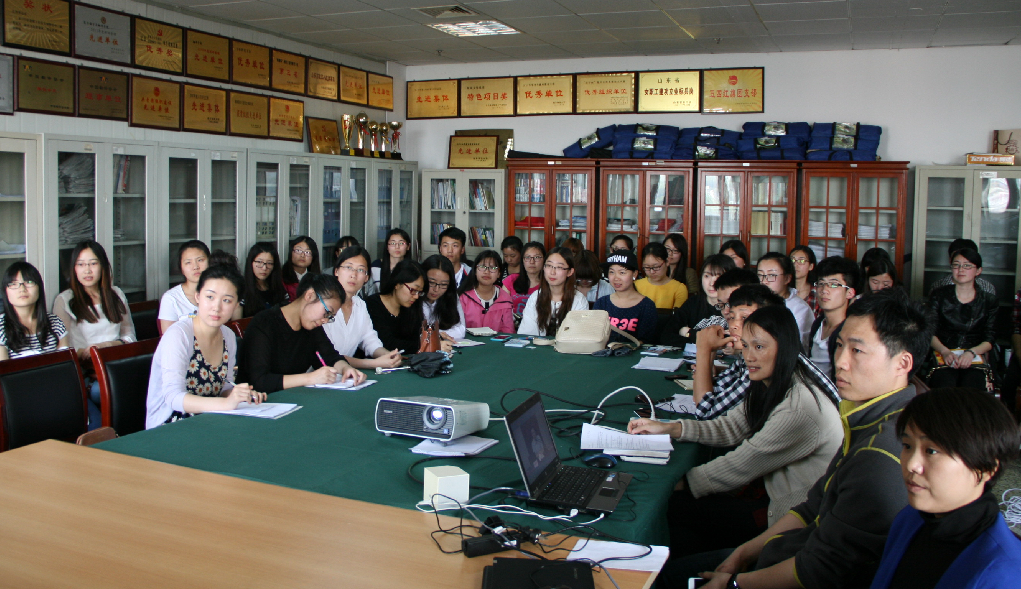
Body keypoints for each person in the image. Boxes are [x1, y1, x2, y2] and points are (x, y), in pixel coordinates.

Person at [666, 290, 931, 589]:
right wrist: (743, 554)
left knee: (670, 573)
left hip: (794, 561)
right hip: (789, 545)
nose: (841, 362)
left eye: (857, 350)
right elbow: (812, 507)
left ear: (902, 363)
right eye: (839, 346)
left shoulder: (882, 451)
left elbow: (823, 568)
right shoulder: (865, 419)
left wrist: (735, 583)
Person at [630, 305, 842, 558]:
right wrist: (670, 428)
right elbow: (730, 427)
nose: (749, 356)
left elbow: (741, 465)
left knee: (673, 512)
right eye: (747, 346)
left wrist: (666, 484)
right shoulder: (774, 380)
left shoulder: (800, 407)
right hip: (767, 496)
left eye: (759, 347)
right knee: (679, 519)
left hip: (789, 520)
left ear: (785, 347)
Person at [870, 388, 1021, 589]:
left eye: (931, 451)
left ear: (986, 468)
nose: (911, 464)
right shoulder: (909, 518)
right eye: (907, 446)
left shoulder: (1005, 573)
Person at [691, 284, 839, 422]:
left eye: (745, 318)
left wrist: (704, 349)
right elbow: (717, 389)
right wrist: (710, 352)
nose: (734, 325)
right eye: (732, 317)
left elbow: (706, 411)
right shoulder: (752, 353)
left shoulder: (766, 360)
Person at [145, 265, 264, 429]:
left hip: (210, 418)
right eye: (210, 297)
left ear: (236, 305)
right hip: (170, 424)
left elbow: (224, 387)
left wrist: (240, 395)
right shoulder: (178, 335)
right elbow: (173, 398)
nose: (217, 307)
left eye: (227, 300)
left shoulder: (228, 336)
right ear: (197, 297)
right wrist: (226, 404)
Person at [52, 241, 136, 429]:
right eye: (81, 264)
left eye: (93, 263)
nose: (87, 270)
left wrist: (109, 346)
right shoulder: (65, 300)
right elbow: (63, 350)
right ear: (74, 268)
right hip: (87, 374)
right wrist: (89, 353)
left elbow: (130, 335)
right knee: (105, 391)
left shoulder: (116, 294)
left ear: (103, 266)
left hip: (116, 367)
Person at [239, 273, 365, 393]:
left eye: (330, 317)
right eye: (327, 312)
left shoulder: (312, 327)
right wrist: (310, 378)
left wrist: (345, 368)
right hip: (257, 402)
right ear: (310, 295)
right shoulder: (264, 323)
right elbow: (260, 381)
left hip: (291, 398)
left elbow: (330, 356)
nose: (325, 320)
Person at [926, 248, 998, 391]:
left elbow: (990, 338)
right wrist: (945, 351)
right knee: (944, 386)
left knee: (972, 387)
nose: (961, 269)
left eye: (967, 265)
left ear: (978, 271)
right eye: (956, 265)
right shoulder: (938, 295)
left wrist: (971, 353)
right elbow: (929, 331)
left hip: (974, 355)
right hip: (943, 352)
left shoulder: (989, 300)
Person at [323, 246, 402, 370]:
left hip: (345, 376)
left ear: (366, 278)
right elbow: (328, 354)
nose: (353, 275)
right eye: (348, 267)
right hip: (319, 374)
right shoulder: (323, 305)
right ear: (336, 271)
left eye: (360, 270)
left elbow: (369, 339)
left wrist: (388, 355)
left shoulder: (360, 305)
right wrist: (374, 363)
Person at [660, 254, 736, 348]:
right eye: (707, 276)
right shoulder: (693, 303)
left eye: (718, 277)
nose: (712, 283)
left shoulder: (737, 305)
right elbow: (667, 336)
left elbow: (735, 341)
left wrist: (689, 333)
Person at [0, 262, 69, 360]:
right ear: (5, 291)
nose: (22, 289)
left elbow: (66, 364)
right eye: (13, 284)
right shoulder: (1, 326)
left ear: (39, 287)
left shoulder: (55, 323)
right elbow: (4, 369)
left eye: (28, 282)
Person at [807, 257, 860, 378]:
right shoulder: (817, 324)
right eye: (821, 284)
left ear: (850, 293)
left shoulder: (850, 331)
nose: (824, 290)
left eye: (834, 284)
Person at [518, 247, 588, 337]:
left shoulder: (579, 301)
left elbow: (579, 337)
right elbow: (526, 334)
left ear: (570, 272)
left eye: (559, 267)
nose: (552, 272)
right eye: (549, 266)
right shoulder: (535, 297)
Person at [594, 251, 659, 343]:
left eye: (622, 272)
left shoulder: (647, 306)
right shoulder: (602, 303)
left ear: (634, 274)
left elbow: (647, 341)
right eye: (612, 272)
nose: (616, 278)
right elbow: (594, 335)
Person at [365, 259, 427, 353]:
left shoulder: (412, 307)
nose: (416, 296)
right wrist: (426, 345)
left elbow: (416, 338)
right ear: (397, 284)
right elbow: (387, 344)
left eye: (420, 292)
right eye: (413, 290)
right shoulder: (372, 305)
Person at [756, 252, 814, 347]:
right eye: (760, 275)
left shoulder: (800, 309)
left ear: (787, 278)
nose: (764, 281)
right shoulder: (756, 301)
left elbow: (794, 344)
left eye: (771, 275)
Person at [158, 240, 209, 334]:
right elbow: (169, 338)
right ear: (181, 268)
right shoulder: (171, 298)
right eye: (188, 262)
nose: (195, 267)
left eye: (200, 260)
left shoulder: (219, 292)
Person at [458, 250, 515, 334]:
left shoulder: (505, 299)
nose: (487, 272)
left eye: (493, 268)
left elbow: (508, 331)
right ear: (475, 271)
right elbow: (458, 328)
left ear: (499, 274)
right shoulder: (464, 298)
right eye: (482, 266)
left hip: (496, 342)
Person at [927, 238, 997, 297]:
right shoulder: (938, 287)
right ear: (950, 261)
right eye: (957, 262)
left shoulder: (986, 288)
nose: (961, 269)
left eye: (967, 264)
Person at [421, 254, 464, 347]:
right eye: (432, 282)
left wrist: (437, 334)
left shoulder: (451, 296)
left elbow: (461, 330)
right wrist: (435, 336)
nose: (436, 289)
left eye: (443, 284)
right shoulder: (413, 297)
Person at [635, 242, 688, 310]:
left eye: (656, 267)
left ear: (667, 262)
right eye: (647, 267)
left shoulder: (679, 288)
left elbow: (678, 315)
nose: (652, 272)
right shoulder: (635, 286)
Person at [242, 242, 288, 318]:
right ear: (251, 263)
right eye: (259, 262)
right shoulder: (242, 290)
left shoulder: (280, 289)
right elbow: (237, 323)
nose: (264, 268)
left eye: (269, 263)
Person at [503, 241, 545, 321]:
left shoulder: (549, 283)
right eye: (528, 257)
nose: (532, 262)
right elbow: (503, 308)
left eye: (537, 257)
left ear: (544, 260)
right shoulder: (511, 280)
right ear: (522, 260)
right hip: (512, 325)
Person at [282, 236, 321, 302]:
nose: (302, 255)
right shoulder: (281, 277)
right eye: (298, 250)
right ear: (291, 253)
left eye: (307, 252)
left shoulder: (318, 279)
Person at [371, 228, 410, 293]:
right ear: (387, 246)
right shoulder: (376, 266)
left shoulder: (413, 268)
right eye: (393, 243)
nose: (397, 247)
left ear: (408, 246)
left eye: (401, 243)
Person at [789, 245, 818, 313]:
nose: (795, 264)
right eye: (792, 260)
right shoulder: (782, 290)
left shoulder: (817, 293)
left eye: (801, 261)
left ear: (811, 266)